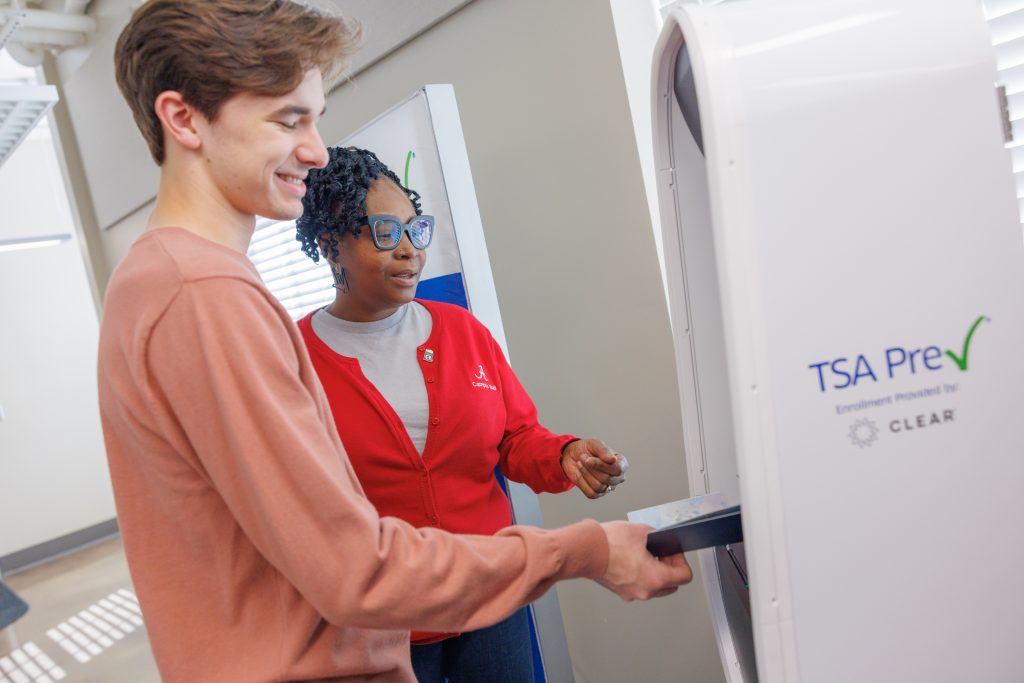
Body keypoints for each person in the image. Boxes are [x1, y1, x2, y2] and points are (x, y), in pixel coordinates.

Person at [97, 1, 693, 682]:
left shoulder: (161, 282)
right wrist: (585, 552)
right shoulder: (204, 297)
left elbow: (509, 438)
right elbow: (357, 568)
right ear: (183, 118)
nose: (316, 149)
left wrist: (560, 460)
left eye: (314, 118)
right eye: (288, 119)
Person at [295, 146, 629, 682]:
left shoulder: (461, 331)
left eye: (414, 229)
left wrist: (565, 454)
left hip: (490, 598)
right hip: (379, 621)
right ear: (330, 245)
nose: (409, 251)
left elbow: (516, 436)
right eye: (384, 232)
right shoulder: (292, 360)